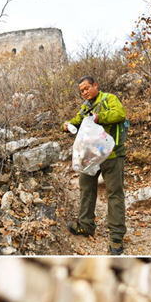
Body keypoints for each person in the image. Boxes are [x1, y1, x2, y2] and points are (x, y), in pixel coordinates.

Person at [63, 76, 127, 255]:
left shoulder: (109, 99)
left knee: (114, 193)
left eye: (87, 88)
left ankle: (116, 237)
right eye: (82, 91)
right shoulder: (85, 107)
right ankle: (85, 225)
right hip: (91, 156)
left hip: (112, 154)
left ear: (96, 85)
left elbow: (120, 114)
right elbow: (76, 121)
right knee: (86, 188)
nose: (85, 92)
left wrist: (100, 117)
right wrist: (66, 125)